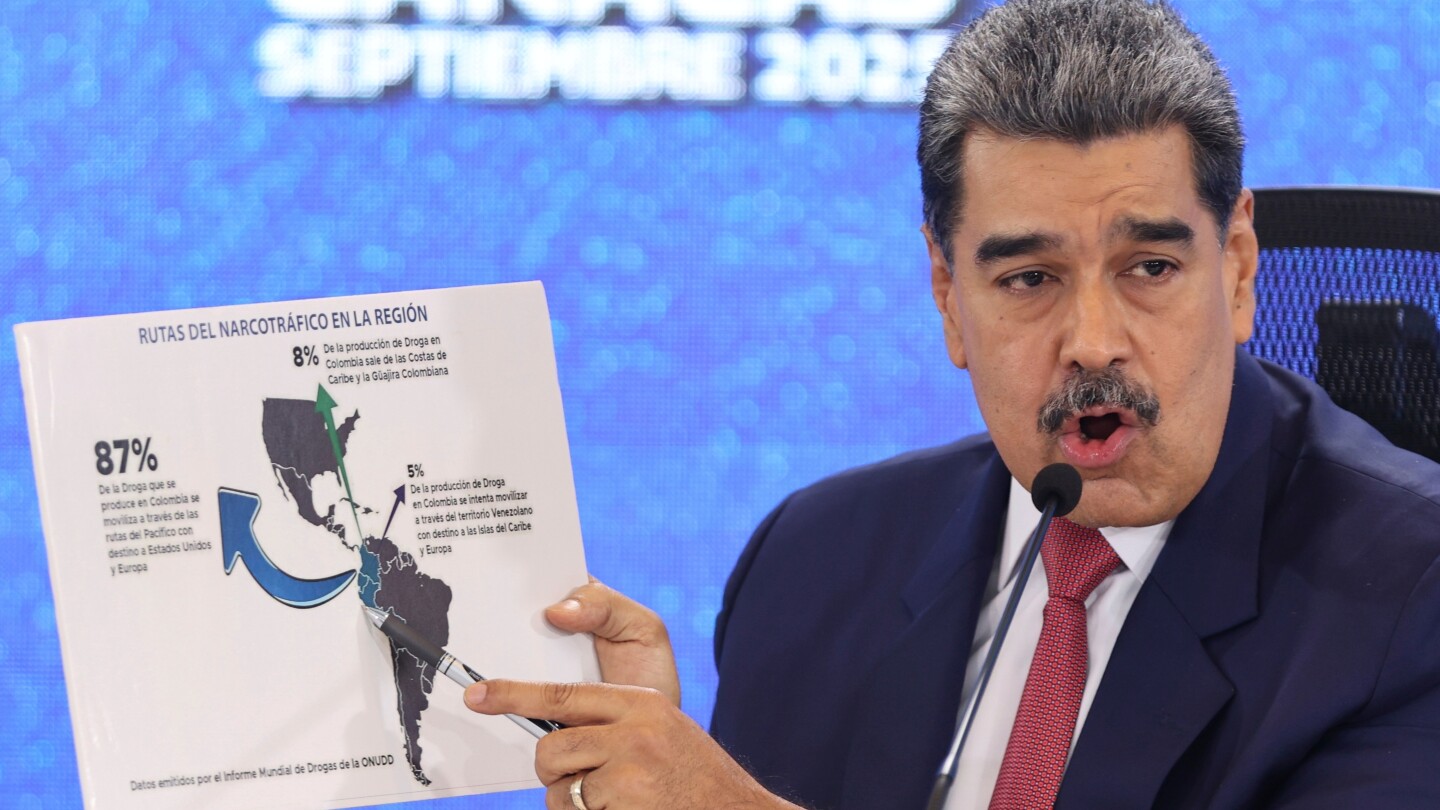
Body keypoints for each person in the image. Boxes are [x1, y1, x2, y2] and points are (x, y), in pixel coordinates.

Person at [463, 0, 1440, 807]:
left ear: (1236, 269)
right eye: (1029, 279)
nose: (1092, 340)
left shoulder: (1410, 602)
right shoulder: (810, 566)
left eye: (1149, 267)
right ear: (947, 298)